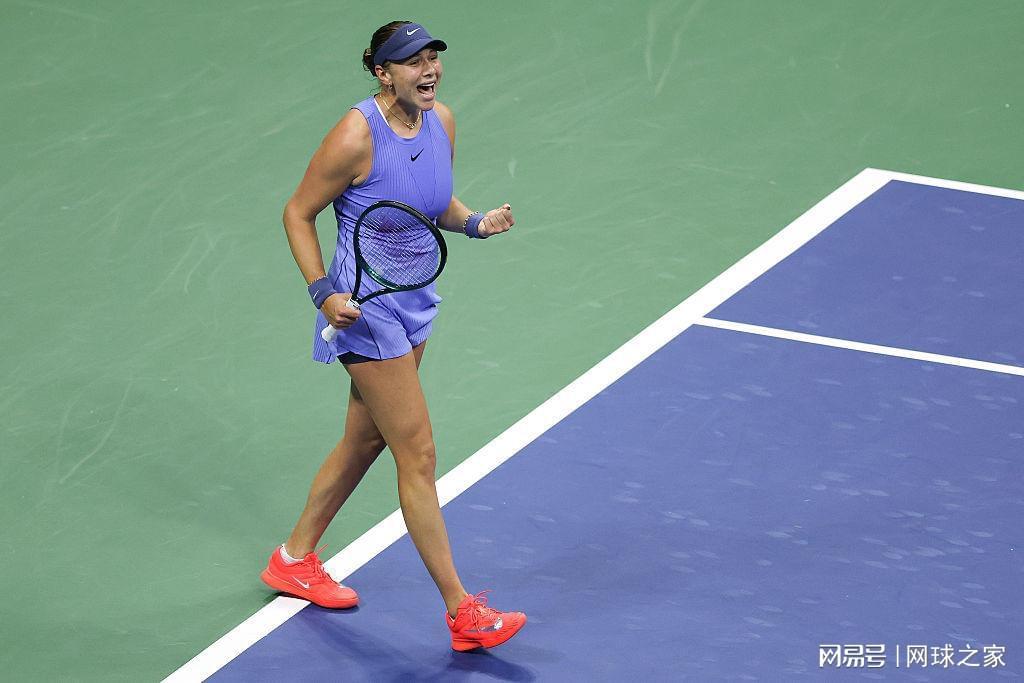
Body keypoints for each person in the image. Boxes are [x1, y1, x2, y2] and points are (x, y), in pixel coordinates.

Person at [261, 20, 526, 652]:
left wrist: (474, 223)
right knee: (419, 454)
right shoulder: (356, 135)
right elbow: (297, 212)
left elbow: (431, 203)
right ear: (383, 74)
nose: (428, 69)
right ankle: (463, 612)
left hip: (413, 301)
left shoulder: (442, 122)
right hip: (364, 311)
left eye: (432, 57)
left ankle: (293, 559)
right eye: (412, 61)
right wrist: (322, 291)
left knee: (366, 439)